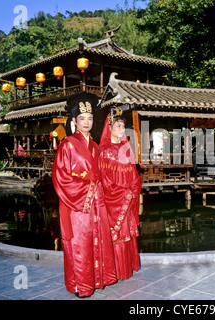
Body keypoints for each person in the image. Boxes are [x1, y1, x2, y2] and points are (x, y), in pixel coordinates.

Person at [52, 92, 117, 297]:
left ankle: (96, 280)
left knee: (96, 240)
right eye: (82, 119)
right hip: (77, 205)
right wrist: (89, 190)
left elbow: (102, 175)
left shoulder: (95, 146)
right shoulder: (67, 144)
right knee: (80, 244)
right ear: (74, 121)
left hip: (97, 205)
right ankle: (81, 285)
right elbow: (60, 177)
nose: (87, 122)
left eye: (90, 118)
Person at [99, 112, 142, 280]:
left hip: (127, 199)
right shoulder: (105, 152)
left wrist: (133, 189)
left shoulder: (126, 150)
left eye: (123, 126)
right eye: (118, 126)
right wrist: (124, 193)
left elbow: (134, 175)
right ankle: (116, 271)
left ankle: (128, 267)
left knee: (128, 234)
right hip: (116, 200)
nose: (122, 129)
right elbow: (106, 182)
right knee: (118, 235)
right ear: (109, 128)